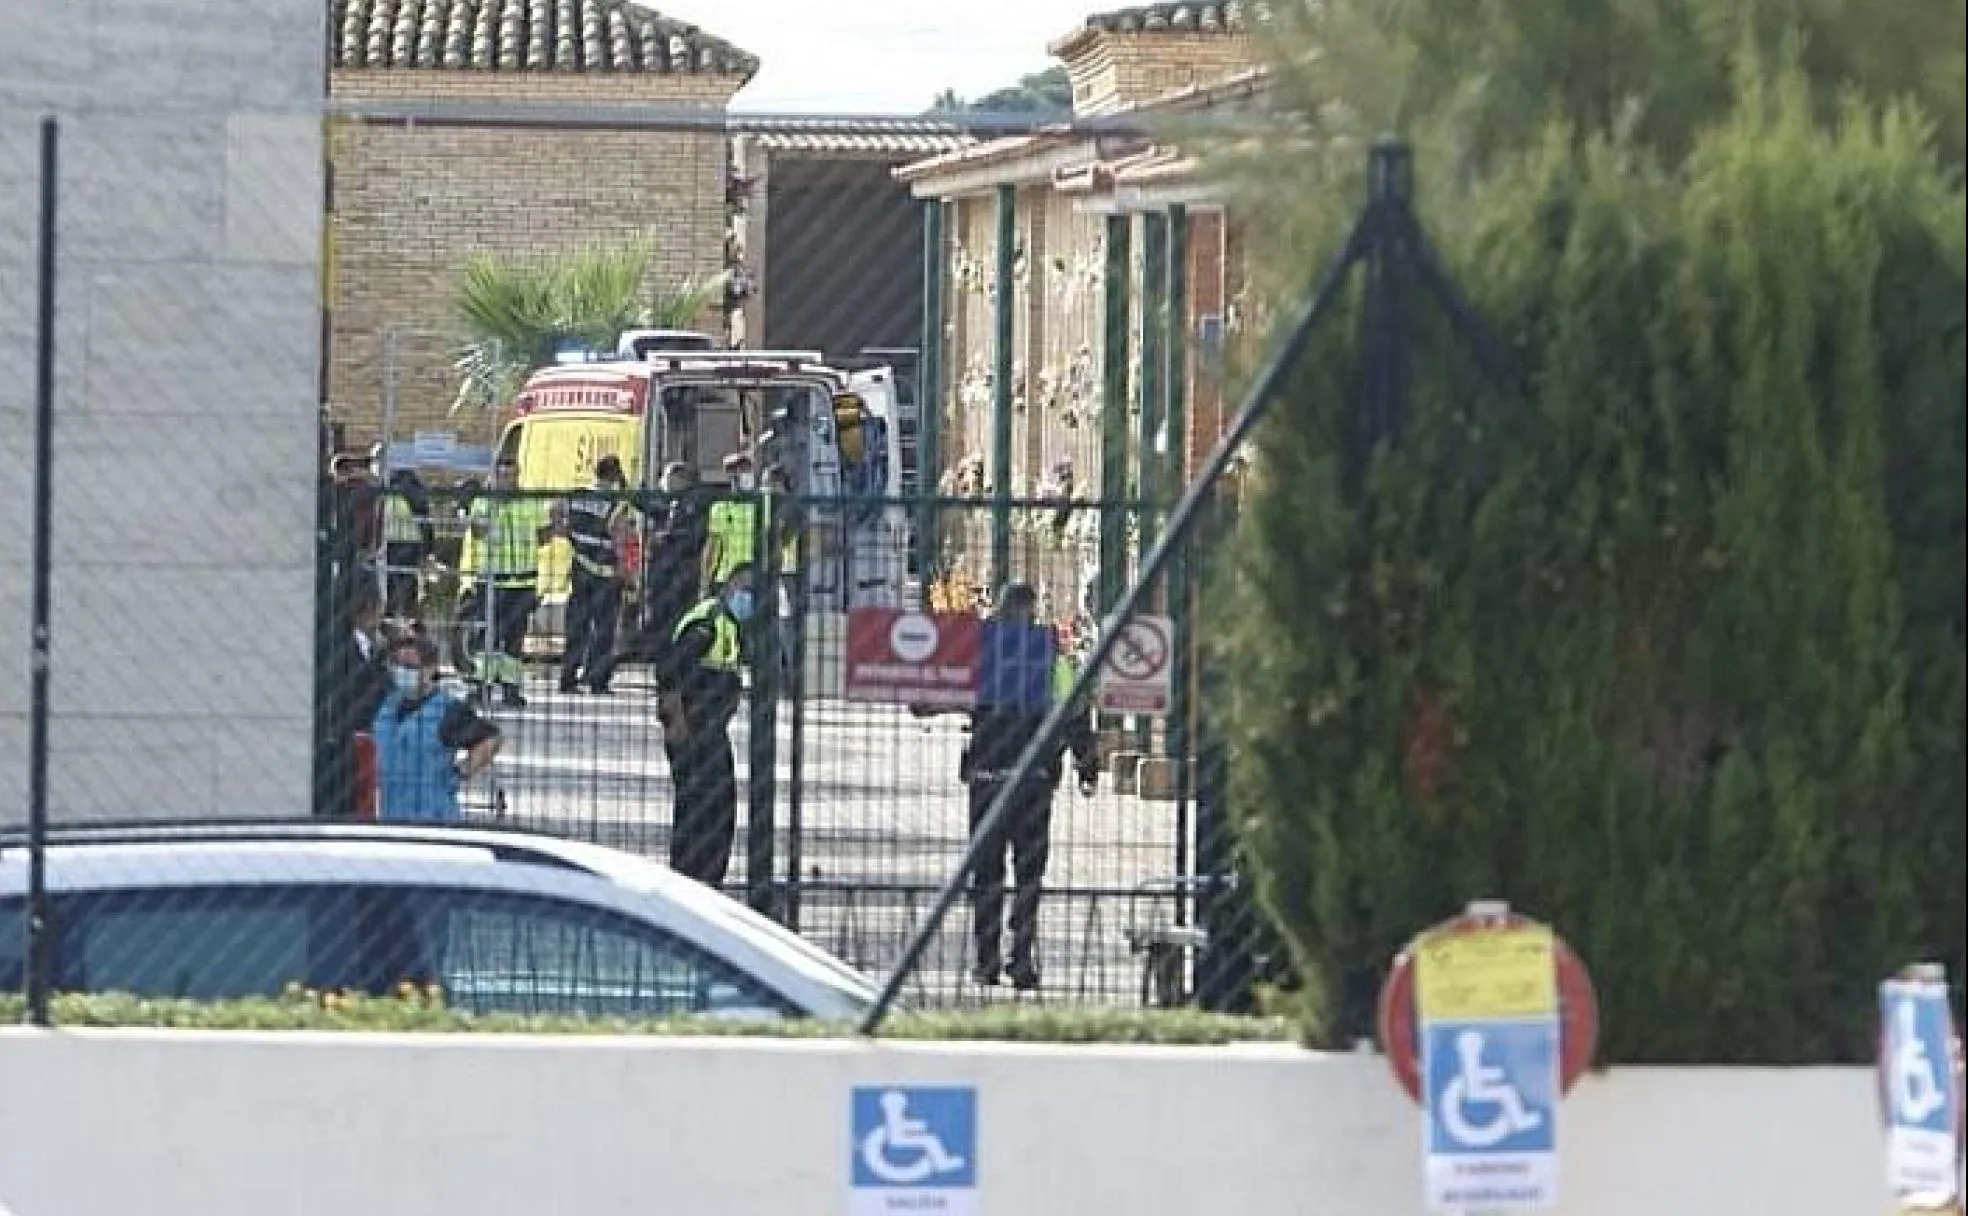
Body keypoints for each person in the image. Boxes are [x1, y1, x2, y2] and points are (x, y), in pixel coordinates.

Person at [962, 582, 1100, 990]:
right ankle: (1021, 961)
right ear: (1034, 612)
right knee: (1029, 874)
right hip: (1035, 779)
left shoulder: (981, 652)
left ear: (1000, 612)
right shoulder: (1049, 656)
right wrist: (1086, 762)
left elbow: (941, 692)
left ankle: (985, 962)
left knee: (986, 874)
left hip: (987, 775)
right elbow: (1073, 710)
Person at [656, 563, 757, 887]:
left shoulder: (732, 624)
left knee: (719, 809)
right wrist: (676, 722)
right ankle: (690, 878)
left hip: (712, 731)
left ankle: (709, 879)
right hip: (692, 731)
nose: (748, 598)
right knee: (697, 808)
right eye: (745, 589)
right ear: (729, 585)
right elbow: (669, 670)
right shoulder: (707, 621)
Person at [371, 633, 502, 824]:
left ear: (430, 668)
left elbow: (491, 738)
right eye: (398, 666)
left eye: (411, 667)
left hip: (435, 818)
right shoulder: (385, 706)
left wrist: (461, 772)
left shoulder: (446, 709)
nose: (403, 672)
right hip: (391, 817)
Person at [467, 456, 553, 708]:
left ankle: (510, 688)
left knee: (515, 639)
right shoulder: (483, 501)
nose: (507, 480)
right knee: (488, 636)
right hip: (493, 580)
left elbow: (543, 535)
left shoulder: (529, 502)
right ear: (494, 477)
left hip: (523, 582)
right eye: (502, 476)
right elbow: (478, 532)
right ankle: (481, 686)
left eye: (512, 475)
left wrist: (555, 524)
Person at [557, 455, 635, 695]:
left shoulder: (577, 494)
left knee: (576, 626)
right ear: (615, 475)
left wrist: (571, 535)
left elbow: (556, 512)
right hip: (606, 574)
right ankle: (597, 680)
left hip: (580, 567)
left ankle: (568, 678)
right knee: (604, 628)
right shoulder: (616, 503)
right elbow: (619, 536)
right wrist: (627, 573)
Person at [379, 467, 434, 622]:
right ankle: (406, 618)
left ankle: (392, 619)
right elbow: (426, 523)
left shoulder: (387, 490)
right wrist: (428, 549)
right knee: (408, 588)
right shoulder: (417, 492)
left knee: (391, 586)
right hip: (412, 543)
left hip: (391, 543)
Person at [701, 451, 759, 591]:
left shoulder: (762, 504)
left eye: (746, 470)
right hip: (727, 576)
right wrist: (705, 580)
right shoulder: (720, 507)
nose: (741, 475)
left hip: (757, 575)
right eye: (736, 471)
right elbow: (712, 546)